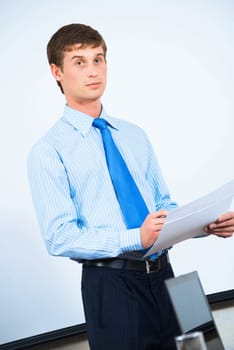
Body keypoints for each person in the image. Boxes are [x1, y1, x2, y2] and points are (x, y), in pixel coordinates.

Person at [27, 23, 234, 350]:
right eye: (79, 62)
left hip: (171, 279)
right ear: (57, 72)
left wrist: (203, 224)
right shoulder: (48, 150)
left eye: (98, 59)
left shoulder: (134, 134)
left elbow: (163, 204)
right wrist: (135, 238)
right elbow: (59, 236)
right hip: (112, 288)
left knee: (204, 348)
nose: (93, 71)